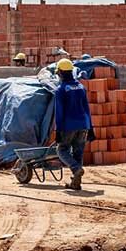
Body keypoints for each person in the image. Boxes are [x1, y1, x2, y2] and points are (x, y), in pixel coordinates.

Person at [53, 58, 93, 190]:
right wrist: (90, 127)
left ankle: (76, 169)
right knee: (78, 152)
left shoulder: (61, 90)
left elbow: (59, 112)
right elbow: (86, 108)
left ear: (61, 73)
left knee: (61, 150)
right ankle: (76, 183)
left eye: (58, 72)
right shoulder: (81, 87)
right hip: (83, 124)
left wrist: (58, 131)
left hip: (69, 125)